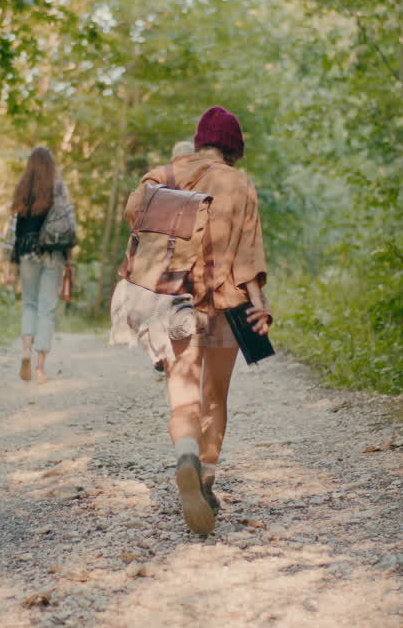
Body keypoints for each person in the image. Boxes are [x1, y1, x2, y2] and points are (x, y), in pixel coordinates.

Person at [122, 106, 272, 535]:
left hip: (173, 301)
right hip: (225, 304)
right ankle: (205, 478)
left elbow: (135, 218)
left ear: (199, 140)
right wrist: (259, 304)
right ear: (233, 148)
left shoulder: (162, 174)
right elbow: (248, 257)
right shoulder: (239, 184)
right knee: (215, 397)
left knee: (183, 399)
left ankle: (184, 455)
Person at [3, 146, 76, 383]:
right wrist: (69, 260)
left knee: (29, 304)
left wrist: (7, 263)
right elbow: (70, 225)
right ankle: (40, 369)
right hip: (53, 254)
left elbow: (12, 229)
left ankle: (26, 350)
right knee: (46, 309)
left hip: (26, 253)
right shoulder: (59, 188)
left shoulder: (22, 188)